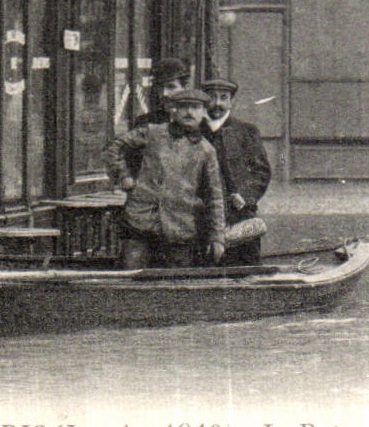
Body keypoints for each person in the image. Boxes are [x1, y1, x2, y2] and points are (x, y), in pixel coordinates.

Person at [110, 88, 226, 269]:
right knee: (130, 277)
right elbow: (114, 147)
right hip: (141, 222)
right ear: (174, 110)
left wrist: (217, 237)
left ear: (204, 112)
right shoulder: (153, 132)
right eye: (184, 107)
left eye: (195, 107)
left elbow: (215, 196)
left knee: (175, 282)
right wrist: (123, 176)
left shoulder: (207, 150)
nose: (189, 112)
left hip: (180, 229)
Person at [201, 77, 272, 265]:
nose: (217, 103)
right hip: (205, 216)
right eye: (211, 97)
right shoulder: (195, 132)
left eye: (223, 98)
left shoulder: (246, 131)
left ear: (231, 102)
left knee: (244, 266)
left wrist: (245, 196)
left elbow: (261, 172)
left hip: (239, 214)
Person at [132, 56, 191, 129]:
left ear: (185, 88)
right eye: (160, 87)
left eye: (171, 87)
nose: (164, 93)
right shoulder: (145, 122)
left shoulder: (198, 122)